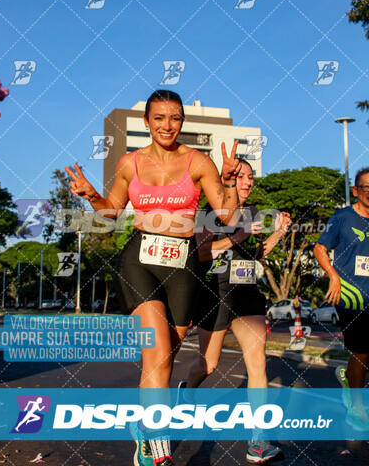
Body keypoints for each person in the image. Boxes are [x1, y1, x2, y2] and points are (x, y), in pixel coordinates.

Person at [65, 90, 242, 466]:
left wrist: (227, 181)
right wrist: (90, 195)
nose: (167, 125)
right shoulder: (130, 163)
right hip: (139, 260)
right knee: (159, 352)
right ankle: (155, 449)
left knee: (163, 360)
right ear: (146, 122)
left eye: (175, 117)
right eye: (159, 118)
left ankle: (145, 426)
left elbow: (228, 217)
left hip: (184, 265)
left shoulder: (201, 162)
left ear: (182, 121)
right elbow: (111, 211)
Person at [180, 159, 291, 464]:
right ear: (227, 180)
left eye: (251, 178)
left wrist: (278, 234)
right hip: (214, 293)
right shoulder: (209, 212)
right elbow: (201, 253)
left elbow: (253, 255)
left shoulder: (253, 212)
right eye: (241, 177)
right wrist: (236, 237)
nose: (247, 183)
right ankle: (186, 390)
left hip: (247, 293)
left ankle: (258, 442)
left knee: (258, 363)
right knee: (208, 365)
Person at [313, 167, 369, 430]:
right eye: (365, 187)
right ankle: (356, 409)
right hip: (351, 296)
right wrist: (333, 277)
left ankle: (351, 379)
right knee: (362, 350)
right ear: (356, 190)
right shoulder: (342, 217)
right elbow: (320, 248)